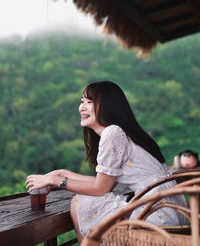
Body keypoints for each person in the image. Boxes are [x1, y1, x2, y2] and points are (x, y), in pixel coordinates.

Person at [26, 81, 188, 244]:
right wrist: (61, 173)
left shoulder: (113, 132)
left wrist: (55, 181)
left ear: (108, 106)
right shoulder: (122, 132)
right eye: (82, 101)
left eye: (89, 102)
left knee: (80, 202)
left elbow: (100, 189)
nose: (82, 108)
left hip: (156, 216)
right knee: (85, 202)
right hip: (171, 211)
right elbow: (103, 184)